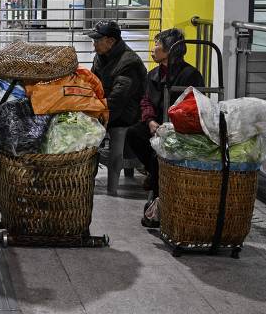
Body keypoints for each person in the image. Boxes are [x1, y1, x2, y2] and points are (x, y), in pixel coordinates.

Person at [127, 28, 204, 227]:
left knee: (160, 151)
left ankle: (156, 193)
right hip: (157, 125)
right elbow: (145, 101)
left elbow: (194, 106)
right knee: (134, 134)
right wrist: (151, 121)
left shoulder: (191, 75)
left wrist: (169, 126)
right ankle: (154, 175)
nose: (153, 49)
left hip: (179, 129)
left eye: (157, 45)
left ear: (170, 50)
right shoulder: (153, 74)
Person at [86, 20, 148, 129]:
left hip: (125, 115)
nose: (94, 44)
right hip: (107, 106)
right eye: (93, 40)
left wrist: (97, 117)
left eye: (98, 40)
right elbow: (91, 83)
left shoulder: (129, 63)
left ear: (111, 41)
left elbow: (118, 99)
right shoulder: (100, 56)